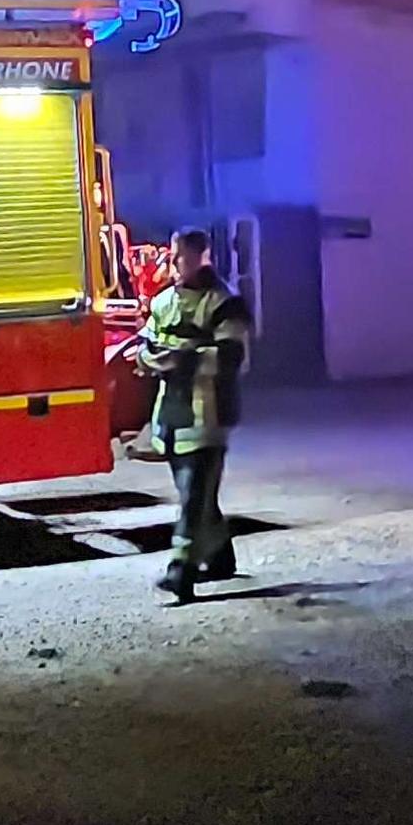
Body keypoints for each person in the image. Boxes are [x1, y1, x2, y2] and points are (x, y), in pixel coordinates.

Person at [135, 227, 253, 604]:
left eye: (179, 256)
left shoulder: (225, 302)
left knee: (192, 495)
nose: (172, 263)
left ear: (202, 256)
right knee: (198, 495)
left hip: (209, 415)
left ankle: (181, 571)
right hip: (171, 415)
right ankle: (219, 557)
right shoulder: (163, 301)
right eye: (172, 255)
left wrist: (179, 360)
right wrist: (155, 359)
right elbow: (144, 348)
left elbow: (232, 357)